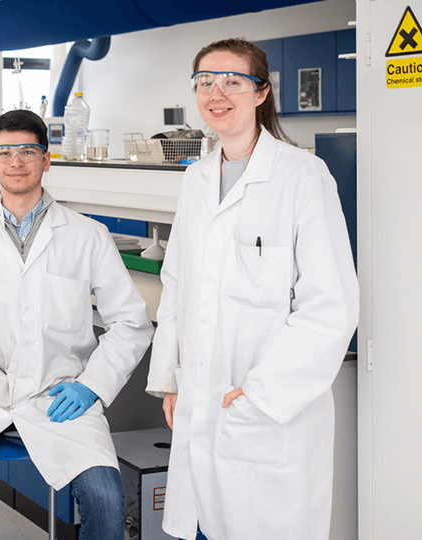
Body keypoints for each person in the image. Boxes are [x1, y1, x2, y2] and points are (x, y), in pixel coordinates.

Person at [0, 109, 154, 540]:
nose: (16, 161)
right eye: (5, 152)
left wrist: (91, 385)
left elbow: (131, 322)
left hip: (59, 395)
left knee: (106, 500)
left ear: (46, 160)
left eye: (28, 151)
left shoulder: (87, 236)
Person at [145, 38, 359, 540]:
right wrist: (170, 378)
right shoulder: (196, 178)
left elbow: (330, 307)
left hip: (264, 412)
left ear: (261, 93)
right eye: (205, 81)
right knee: (201, 525)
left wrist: (261, 395)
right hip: (200, 401)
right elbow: (177, 285)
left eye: (232, 81)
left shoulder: (303, 176)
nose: (216, 92)